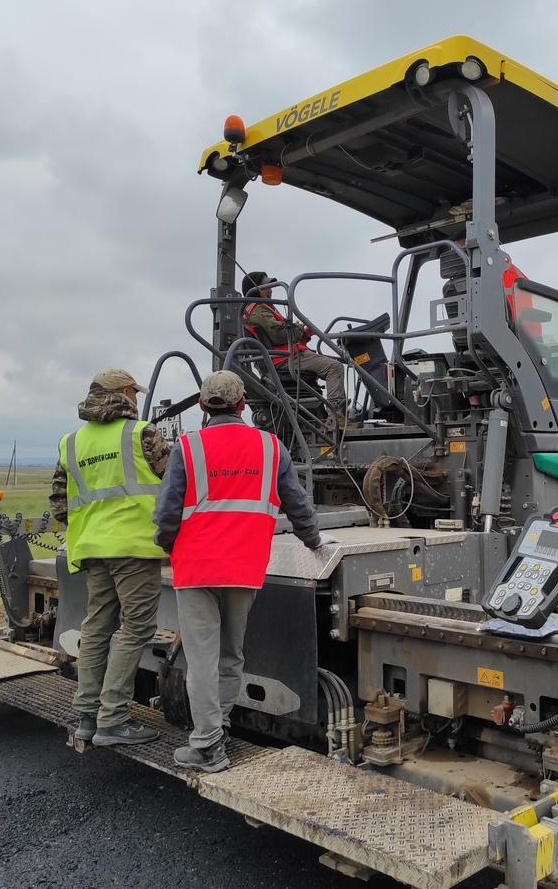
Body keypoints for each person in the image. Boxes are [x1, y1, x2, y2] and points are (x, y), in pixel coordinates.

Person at [152, 371, 337, 772]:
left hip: (197, 568)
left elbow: (166, 512)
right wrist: (315, 544)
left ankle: (207, 744)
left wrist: (168, 545)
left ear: (202, 406)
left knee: (201, 661)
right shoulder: (271, 448)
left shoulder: (188, 447)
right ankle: (218, 729)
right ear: (242, 405)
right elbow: (298, 505)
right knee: (231, 656)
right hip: (244, 568)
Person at [49, 368, 170, 746]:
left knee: (98, 626)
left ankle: (86, 714)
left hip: (91, 547)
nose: (136, 398)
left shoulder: (70, 442)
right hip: (134, 547)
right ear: (123, 394)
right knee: (136, 628)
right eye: (134, 392)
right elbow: (174, 482)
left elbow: (59, 505)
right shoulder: (142, 433)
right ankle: (114, 718)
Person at [241, 270, 347, 427]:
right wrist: (299, 329)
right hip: (283, 359)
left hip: (285, 355)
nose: (270, 290)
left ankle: (331, 413)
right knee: (334, 367)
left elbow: (281, 337)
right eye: (267, 287)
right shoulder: (258, 310)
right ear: (256, 289)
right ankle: (336, 417)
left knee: (332, 365)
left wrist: (303, 334)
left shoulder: (261, 308)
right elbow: (279, 334)